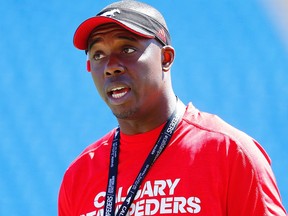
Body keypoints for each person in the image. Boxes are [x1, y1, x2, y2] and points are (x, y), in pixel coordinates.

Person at [58, 1, 287, 215]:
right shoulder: (79, 176)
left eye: (127, 49)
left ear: (165, 58)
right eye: (98, 54)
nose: (111, 66)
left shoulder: (229, 152)